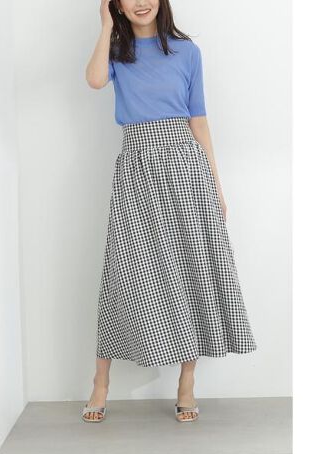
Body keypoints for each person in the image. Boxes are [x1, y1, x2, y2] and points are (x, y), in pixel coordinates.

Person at [82, 0, 257, 423]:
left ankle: (187, 382)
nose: (140, 2)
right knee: (122, 270)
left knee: (190, 267)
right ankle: (100, 381)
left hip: (185, 166)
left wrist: (216, 186)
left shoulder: (187, 52)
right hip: (137, 167)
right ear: (116, 4)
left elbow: (199, 121)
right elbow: (94, 80)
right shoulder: (116, 51)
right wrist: (105, 26)